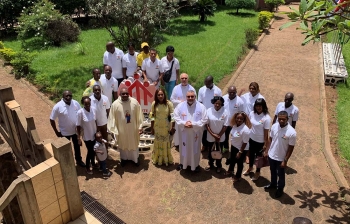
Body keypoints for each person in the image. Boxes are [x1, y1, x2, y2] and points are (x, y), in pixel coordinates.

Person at [107, 88, 143, 167]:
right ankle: (124, 159)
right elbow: (111, 118)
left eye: (126, 93)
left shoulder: (134, 102)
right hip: (121, 130)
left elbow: (139, 115)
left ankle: (135, 159)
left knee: (133, 143)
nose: (125, 95)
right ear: (120, 94)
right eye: (123, 94)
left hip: (132, 129)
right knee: (123, 144)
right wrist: (114, 129)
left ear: (129, 93)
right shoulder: (115, 104)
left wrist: (140, 127)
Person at [174, 90, 208, 172]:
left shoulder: (201, 107)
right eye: (188, 96)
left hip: (195, 133)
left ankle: (195, 165)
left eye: (192, 96)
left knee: (195, 148)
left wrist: (193, 125)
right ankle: (183, 164)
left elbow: (205, 119)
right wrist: (184, 124)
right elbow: (176, 116)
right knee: (183, 148)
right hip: (184, 132)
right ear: (186, 97)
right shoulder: (180, 106)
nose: (190, 98)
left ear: (195, 97)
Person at [264, 111, 296, 198]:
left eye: (283, 119)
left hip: (281, 158)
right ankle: (273, 184)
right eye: (280, 119)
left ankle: (280, 189)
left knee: (281, 174)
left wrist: (285, 160)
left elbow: (291, 147)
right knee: (272, 171)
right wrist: (267, 151)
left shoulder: (291, 132)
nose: (281, 121)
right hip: (271, 155)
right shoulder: (274, 126)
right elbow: (270, 139)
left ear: (287, 119)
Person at [50, 90, 85, 167]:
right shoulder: (58, 106)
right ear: (63, 97)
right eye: (67, 96)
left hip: (75, 131)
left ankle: (79, 161)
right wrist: (56, 131)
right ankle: (67, 164)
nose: (69, 97)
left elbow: (80, 115)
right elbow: (52, 119)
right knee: (65, 149)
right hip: (64, 132)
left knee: (77, 147)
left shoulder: (75, 103)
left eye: (70, 95)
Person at [243, 98, 271, 181]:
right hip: (251, 139)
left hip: (260, 141)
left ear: (263, 107)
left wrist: (265, 144)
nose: (258, 108)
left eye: (260, 106)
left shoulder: (266, 118)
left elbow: (266, 132)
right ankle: (250, 168)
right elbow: (249, 124)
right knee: (251, 155)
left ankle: (258, 172)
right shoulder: (252, 113)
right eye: (257, 106)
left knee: (259, 158)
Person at [149, 88, 175, 166]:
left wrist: (172, 127)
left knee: (165, 142)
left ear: (164, 95)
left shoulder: (169, 104)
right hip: (157, 127)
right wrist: (152, 127)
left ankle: (165, 159)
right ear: (156, 96)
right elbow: (152, 116)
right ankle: (157, 159)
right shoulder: (154, 104)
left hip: (166, 127)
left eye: (162, 94)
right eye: (158, 95)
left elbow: (173, 117)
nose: (160, 96)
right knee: (158, 142)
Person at [204, 96, 229, 173]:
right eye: (216, 103)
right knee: (210, 151)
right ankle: (210, 164)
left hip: (220, 137)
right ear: (213, 103)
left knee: (219, 151)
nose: (217, 105)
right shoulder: (208, 111)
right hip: (210, 136)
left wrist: (219, 135)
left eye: (219, 103)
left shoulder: (225, 111)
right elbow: (206, 124)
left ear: (222, 104)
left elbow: (225, 125)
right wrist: (213, 134)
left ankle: (219, 165)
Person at [170, 73, 195, 148]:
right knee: (178, 127)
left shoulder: (191, 88)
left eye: (185, 78)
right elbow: (172, 99)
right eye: (182, 78)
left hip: (189, 110)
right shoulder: (176, 88)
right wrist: (180, 102)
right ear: (180, 79)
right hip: (178, 111)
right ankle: (177, 143)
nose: (184, 80)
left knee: (187, 126)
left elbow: (194, 99)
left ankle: (188, 142)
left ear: (188, 79)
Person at [198, 76, 222, 152]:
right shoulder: (201, 89)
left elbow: (219, 102)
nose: (206, 84)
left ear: (212, 82)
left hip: (214, 113)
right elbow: (200, 102)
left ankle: (211, 145)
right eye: (205, 83)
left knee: (212, 129)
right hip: (204, 113)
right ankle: (204, 145)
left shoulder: (218, 90)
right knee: (204, 130)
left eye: (208, 83)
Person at [226, 112, 251, 182]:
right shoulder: (234, 125)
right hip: (234, 146)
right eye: (237, 118)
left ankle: (238, 176)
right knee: (232, 160)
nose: (239, 120)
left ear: (244, 120)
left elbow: (245, 142)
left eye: (241, 119)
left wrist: (240, 152)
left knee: (239, 163)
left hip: (241, 148)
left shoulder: (245, 130)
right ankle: (230, 170)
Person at [76, 96, 97, 174]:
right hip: (87, 136)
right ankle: (87, 167)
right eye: (86, 104)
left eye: (89, 103)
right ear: (83, 104)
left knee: (94, 150)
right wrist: (79, 138)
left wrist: (98, 131)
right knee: (90, 151)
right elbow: (78, 126)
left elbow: (96, 121)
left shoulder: (94, 109)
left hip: (94, 135)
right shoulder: (80, 113)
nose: (88, 105)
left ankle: (94, 164)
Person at [222, 86, 245, 150]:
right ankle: (225, 148)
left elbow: (241, 113)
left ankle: (235, 149)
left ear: (236, 92)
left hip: (235, 124)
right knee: (225, 136)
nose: (232, 94)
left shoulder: (240, 101)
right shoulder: (223, 98)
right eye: (230, 92)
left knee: (235, 137)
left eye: (233, 92)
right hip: (225, 122)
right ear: (228, 92)